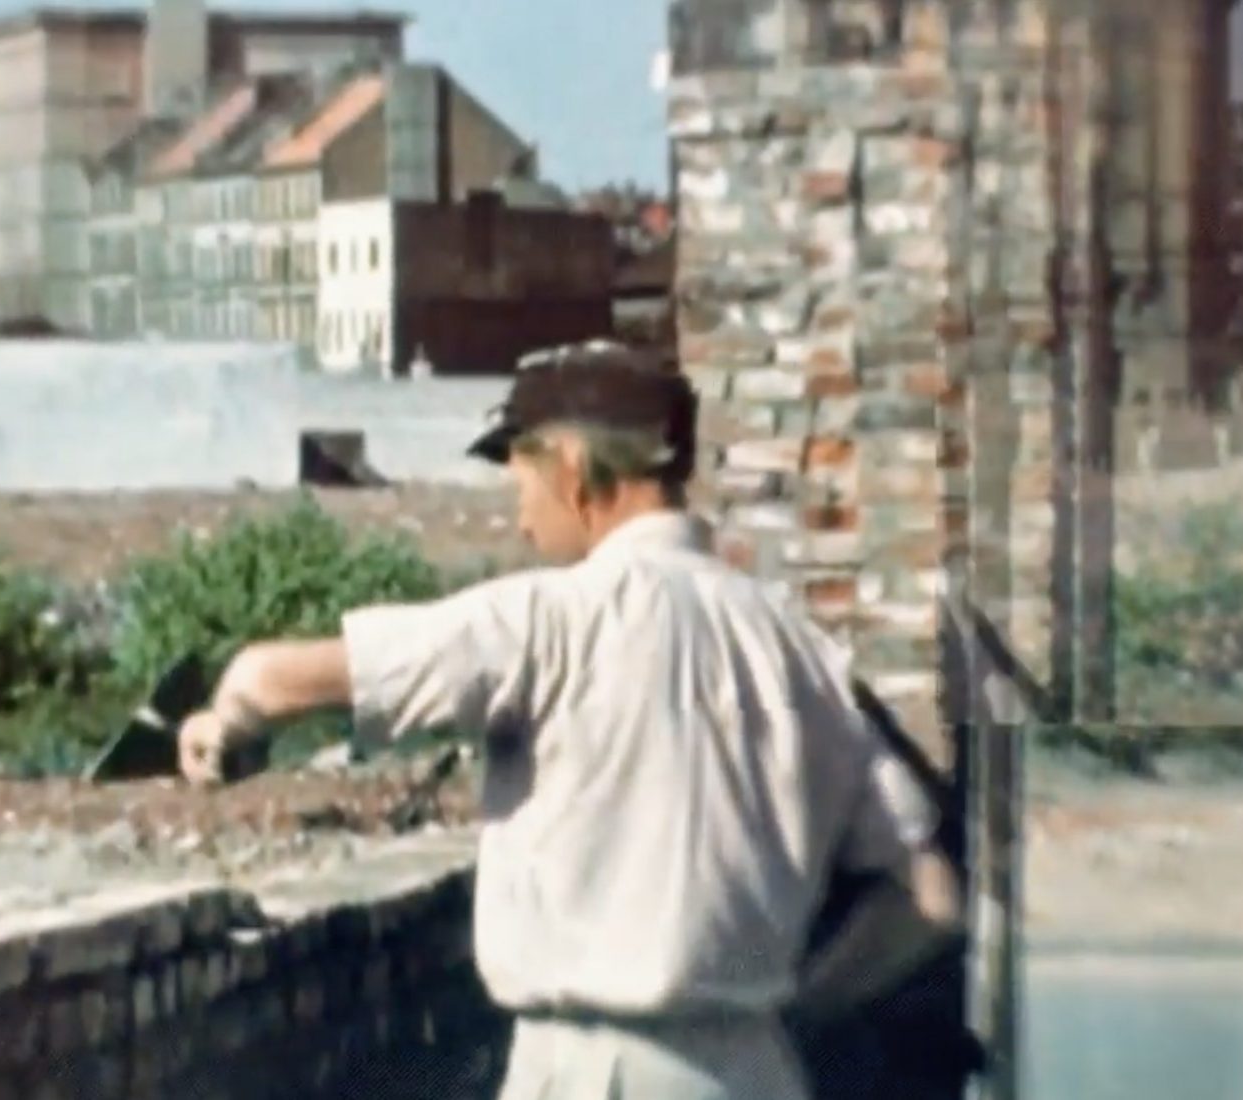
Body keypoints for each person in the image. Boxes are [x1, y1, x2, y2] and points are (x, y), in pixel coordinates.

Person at [177, 344, 964, 1099]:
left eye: (523, 485)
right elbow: (931, 900)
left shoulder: (548, 623)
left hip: (592, 1070)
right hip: (752, 1069)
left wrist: (230, 711)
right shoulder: (801, 653)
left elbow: (282, 678)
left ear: (577, 473)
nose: (521, 520)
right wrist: (792, 1008)